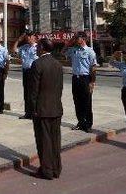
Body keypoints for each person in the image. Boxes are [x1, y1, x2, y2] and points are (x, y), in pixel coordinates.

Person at [30, 38, 63, 180]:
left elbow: (33, 90)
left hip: (41, 109)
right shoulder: (57, 64)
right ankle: (56, 169)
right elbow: (60, 88)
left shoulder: (37, 64)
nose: (36, 48)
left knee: (44, 141)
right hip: (56, 107)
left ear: (43, 48)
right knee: (55, 140)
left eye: (38, 46)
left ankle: (46, 170)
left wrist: (33, 108)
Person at [64, 31, 97, 132]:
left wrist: (92, 82)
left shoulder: (90, 51)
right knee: (77, 101)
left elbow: (93, 68)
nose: (75, 39)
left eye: (77, 37)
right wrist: (69, 42)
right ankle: (80, 122)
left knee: (86, 102)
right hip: (75, 78)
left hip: (85, 78)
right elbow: (62, 52)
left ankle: (88, 124)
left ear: (83, 39)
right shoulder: (74, 50)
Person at [13, 32, 38, 119]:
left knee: (34, 93)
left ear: (34, 38)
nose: (28, 39)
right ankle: (28, 113)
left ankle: (34, 113)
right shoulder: (24, 47)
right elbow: (15, 50)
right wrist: (18, 40)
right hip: (26, 71)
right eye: (27, 38)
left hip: (34, 72)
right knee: (26, 93)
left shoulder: (38, 47)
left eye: (30, 38)